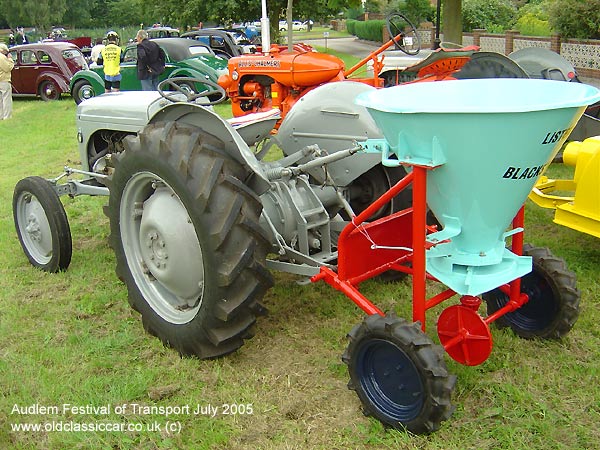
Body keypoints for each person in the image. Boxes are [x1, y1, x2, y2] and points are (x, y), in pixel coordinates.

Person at [0, 43, 15, 120]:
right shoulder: (1, 57)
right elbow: (7, 68)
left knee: (1, 99)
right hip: (3, 80)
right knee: (6, 99)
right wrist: (10, 59)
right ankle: (7, 116)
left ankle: (1, 115)